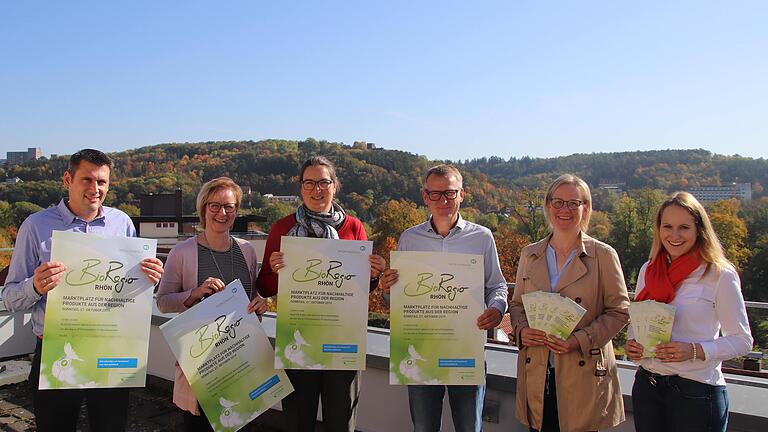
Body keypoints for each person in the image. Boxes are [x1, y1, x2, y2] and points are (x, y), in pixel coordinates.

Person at [3, 149, 165, 432]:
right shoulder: (36, 226)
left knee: (111, 427)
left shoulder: (122, 223)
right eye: (87, 180)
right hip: (57, 349)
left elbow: (129, 290)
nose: (95, 189)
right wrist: (35, 286)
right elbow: (10, 297)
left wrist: (150, 279)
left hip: (111, 348)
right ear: (68, 179)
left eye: (102, 182)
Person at [255, 156, 387, 432]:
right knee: (298, 421)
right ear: (301, 188)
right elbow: (265, 287)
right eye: (309, 183)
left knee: (341, 422)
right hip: (299, 340)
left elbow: (362, 287)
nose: (317, 189)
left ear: (335, 186)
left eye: (324, 182)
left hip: (342, 341)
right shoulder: (282, 228)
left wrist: (374, 273)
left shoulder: (354, 227)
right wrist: (272, 269)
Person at [378, 164, 508, 432]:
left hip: (465, 349)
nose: (443, 201)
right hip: (422, 350)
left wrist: (496, 310)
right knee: (424, 428)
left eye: (449, 193)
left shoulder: (482, 237)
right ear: (425, 197)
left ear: (462, 194)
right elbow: (397, 303)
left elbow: (497, 286)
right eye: (435, 194)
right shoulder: (409, 239)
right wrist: (388, 289)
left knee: (469, 427)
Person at [508, 174, 629, 432]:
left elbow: (619, 312)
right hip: (538, 372)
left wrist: (578, 341)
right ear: (548, 205)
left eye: (574, 203)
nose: (565, 210)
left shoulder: (603, 255)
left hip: (582, 374)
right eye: (558, 202)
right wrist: (521, 331)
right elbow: (517, 304)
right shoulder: (530, 254)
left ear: (586, 208)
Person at [625, 192, 753, 432]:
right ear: (658, 229)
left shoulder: (719, 275)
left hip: (695, 393)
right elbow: (638, 322)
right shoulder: (649, 269)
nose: (674, 235)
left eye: (684, 227)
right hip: (647, 387)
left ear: (699, 229)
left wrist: (694, 350)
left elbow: (743, 341)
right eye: (667, 226)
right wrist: (633, 344)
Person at [156, 177, 268, 431]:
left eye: (229, 207)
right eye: (214, 205)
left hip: (241, 361)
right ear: (203, 209)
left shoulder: (247, 250)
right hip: (202, 366)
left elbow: (252, 297)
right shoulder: (182, 252)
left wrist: (260, 305)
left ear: (236, 211)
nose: (222, 212)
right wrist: (194, 293)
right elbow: (163, 302)